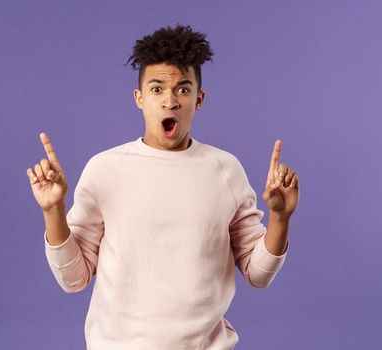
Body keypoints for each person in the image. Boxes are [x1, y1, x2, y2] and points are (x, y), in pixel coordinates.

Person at [26, 24, 299, 349]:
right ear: (139, 98)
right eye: (157, 89)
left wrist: (280, 217)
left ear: (198, 99)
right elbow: (74, 279)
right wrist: (53, 210)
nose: (170, 101)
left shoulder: (226, 170)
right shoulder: (105, 169)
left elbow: (258, 274)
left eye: (182, 90)